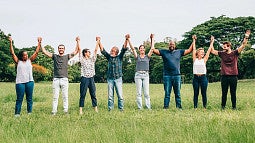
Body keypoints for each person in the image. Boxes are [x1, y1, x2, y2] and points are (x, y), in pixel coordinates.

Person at [210, 30, 251, 110]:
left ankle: (234, 107)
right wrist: (212, 42)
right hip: (224, 76)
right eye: (223, 46)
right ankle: (223, 107)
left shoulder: (235, 53)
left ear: (229, 46)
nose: (223, 47)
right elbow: (212, 51)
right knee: (224, 93)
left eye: (225, 46)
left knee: (233, 93)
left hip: (233, 76)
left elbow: (243, 45)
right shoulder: (222, 54)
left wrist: (246, 36)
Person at [152, 35, 193, 110]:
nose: (171, 45)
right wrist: (152, 39)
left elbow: (190, 50)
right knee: (167, 94)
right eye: (170, 44)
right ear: (168, 45)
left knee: (177, 93)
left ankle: (179, 107)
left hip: (177, 76)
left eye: (173, 44)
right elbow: (153, 50)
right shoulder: (164, 52)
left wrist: (193, 40)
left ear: (175, 45)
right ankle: (165, 107)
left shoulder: (179, 52)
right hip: (167, 76)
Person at [41, 37, 80, 115]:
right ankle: (54, 111)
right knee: (55, 97)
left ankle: (65, 111)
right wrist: (40, 42)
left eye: (62, 48)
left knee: (65, 96)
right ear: (58, 49)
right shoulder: (54, 56)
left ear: (64, 49)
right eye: (60, 48)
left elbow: (76, 51)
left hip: (64, 79)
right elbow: (44, 52)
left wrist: (77, 41)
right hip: (56, 79)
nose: (61, 49)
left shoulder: (67, 57)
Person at [9, 36, 41, 117]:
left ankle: (29, 113)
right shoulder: (18, 61)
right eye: (25, 55)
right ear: (21, 56)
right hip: (20, 83)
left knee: (29, 99)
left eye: (27, 55)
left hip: (30, 82)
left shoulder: (30, 61)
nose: (26, 56)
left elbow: (36, 52)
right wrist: (10, 42)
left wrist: (39, 42)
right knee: (19, 99)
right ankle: (17, 114)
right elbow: (12, 53)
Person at [98, 35, 128, 111]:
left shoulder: (119, 57)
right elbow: (103, 50)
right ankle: (110, 109)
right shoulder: (109, 57)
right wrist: (99, 41)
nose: (111, 51)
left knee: (120, 96)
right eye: (111, 50)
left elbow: (124, 49)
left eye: (113, 51)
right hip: (110, 79)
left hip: (118, 79)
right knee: (110, 96)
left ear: (116, 52)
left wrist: (126, 39)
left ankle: (121, 109)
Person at [127, 34, 154, 110]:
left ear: (144, 50)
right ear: (139, 50)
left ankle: (148, 107)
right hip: (138, 75)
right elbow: (132, 49)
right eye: (140, 48)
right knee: (139, 93)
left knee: (146, 93)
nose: (142, 49)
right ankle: (140, 108)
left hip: (145, 75)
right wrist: (128, 40)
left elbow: (152, 49)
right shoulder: (137, 57)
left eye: (143, 48)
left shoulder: (147, 57)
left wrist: (152, 38)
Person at [192, 35, 214, 109]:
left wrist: (212, 42)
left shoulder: (204, 60)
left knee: (203, 93)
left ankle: (204, 107)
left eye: (203, 52)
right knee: (196, 93)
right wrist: (194, 40)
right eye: (201, 52)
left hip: (203, 78)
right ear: (198, 53)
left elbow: (209, 50)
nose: (203, 53)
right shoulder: (195, 59)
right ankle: (195, 107)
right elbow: (194, 49)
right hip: (195, 78)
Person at [78, 38, 99, 114]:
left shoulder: (92, 59)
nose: (90, 53)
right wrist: (78, 41)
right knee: (83, 94)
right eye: (88, 52)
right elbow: (80, 50)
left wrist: (98, 41)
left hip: (91, 79)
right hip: (84, 79)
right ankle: (80, 110)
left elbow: (96, 50)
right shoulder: (82, 60)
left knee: (93, 94)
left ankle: (95, 108)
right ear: (85, 53)